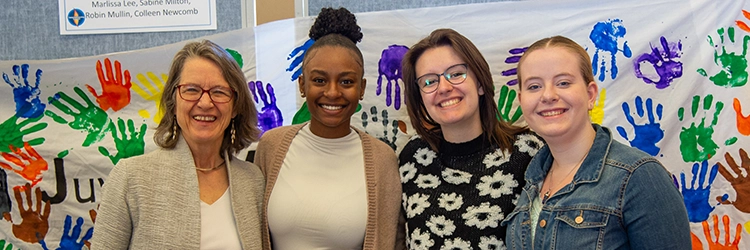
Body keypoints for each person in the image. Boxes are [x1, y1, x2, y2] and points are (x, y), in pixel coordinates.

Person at [503, 35, 691, 249]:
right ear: (521, 100)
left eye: (563, 83)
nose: (548, 95)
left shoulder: (638, 176)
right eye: (534, 86)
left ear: (591, 94)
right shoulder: (530, 178)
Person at [253, 7, 404, 250]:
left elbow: (394, 241)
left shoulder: (383, 160)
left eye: (346, 81)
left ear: (362, 88)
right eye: (319, 80)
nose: (333, 92)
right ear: (302, 85)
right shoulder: (271, 147)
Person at [91, 40, 264, 249]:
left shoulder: (253, 181)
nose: (205, 103)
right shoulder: (131, 178)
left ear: (236, 106)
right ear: (173, 103)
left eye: (219, 92)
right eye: (192, 90)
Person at [399, 28, 544, 249]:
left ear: (479, 83)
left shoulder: (528, 152)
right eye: (429, 82)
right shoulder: (413, 157)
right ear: (420, 97)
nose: (444, 88)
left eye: (456, 74)